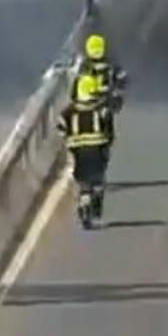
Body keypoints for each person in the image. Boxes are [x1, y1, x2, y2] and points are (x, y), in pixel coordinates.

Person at [61, 73, 115, 223]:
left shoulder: (68, 112)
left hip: (77, 152)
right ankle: (95, 203)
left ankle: (84, 199)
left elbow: (61, 130)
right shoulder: (102, 110)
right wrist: (106, 146)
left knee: (82, 179)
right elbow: (109, 132)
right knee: (98, 178)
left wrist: (70, 141)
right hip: (97, 151)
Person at [71, 31, 128, 112]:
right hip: (96, 100)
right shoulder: (86, 64)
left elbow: (76, 82)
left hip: (97, 100)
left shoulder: (86, 64)